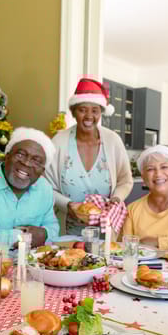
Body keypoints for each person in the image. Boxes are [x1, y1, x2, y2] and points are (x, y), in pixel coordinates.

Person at [45, 78, 133, 235]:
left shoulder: (113, 140)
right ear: (73, 112)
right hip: (66, 233)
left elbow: (125, 181)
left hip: (106, 232)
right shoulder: (59, 141)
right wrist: (68, 205)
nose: (88, 116)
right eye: (82, 109)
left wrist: (116, 199)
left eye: (95, 110)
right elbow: (46, 187)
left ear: (101, 113)